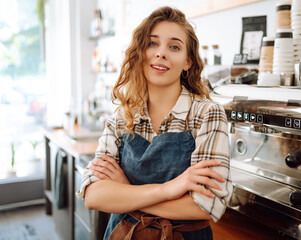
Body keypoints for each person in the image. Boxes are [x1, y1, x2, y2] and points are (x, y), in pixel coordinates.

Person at [76, 6, 232, 240]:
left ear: (187, 61)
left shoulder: (207, 115)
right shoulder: (122, 117)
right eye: (152, 44)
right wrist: (169, 189)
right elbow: (94, 196)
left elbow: (206, 206)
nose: (161, 53)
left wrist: (126, 193)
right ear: (141, 52)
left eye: (174, 47)